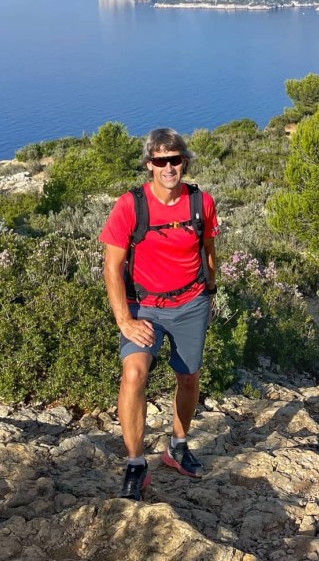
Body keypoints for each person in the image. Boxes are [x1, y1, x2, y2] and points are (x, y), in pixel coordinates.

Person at [99, 127, 218, 500]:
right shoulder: (129, 206)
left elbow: (209, 250)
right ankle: (136, 464)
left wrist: (210, 292)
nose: (169, 168)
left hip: (191, 303)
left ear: (184, 162)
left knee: (188, 378)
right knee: (133, 375)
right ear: (149, 164)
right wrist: (125, 320)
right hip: (143, 307)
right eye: (160, 161)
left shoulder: (201, 202)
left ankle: (177, 447)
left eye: (175, 160)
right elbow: (111, 267)